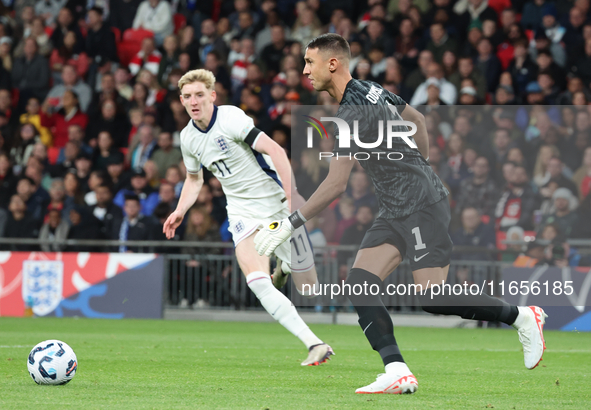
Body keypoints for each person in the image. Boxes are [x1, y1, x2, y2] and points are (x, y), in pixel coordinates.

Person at [254, 33, 548, 394]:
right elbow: (419, 121)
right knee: (360, 283)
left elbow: (336, 185)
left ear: (333, 63)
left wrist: (289, 223)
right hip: (396, 207)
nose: (304, 71)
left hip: (421, 205)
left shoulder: (351, 111)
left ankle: (521, 316)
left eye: (309, 62)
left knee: (433, 297)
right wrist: (418, 168)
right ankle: (397, 370)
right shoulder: (372, 89)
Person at [162, 68, 333, 366]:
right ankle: (314, 344)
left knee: (308, 283)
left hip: (274, 202)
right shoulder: (188, 137)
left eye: (200, 94)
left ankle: (288, 266)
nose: (194, 101)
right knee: (257, 281)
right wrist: (180, 210)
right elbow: (194, 180)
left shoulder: (231, 118)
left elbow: (276, 150)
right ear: (181, 100)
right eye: (187, 96)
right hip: (241, 211)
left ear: (212, 96)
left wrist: (292, 194)